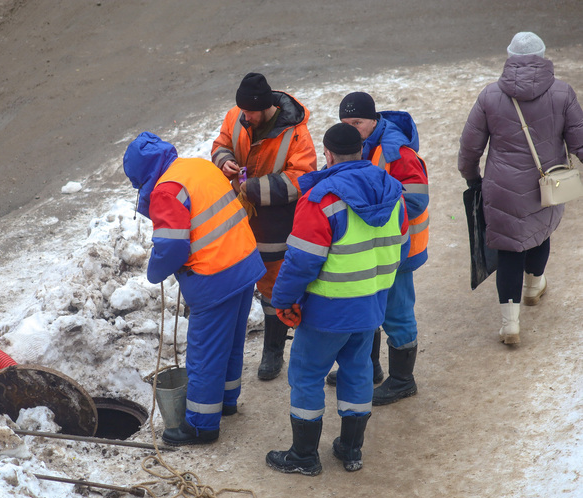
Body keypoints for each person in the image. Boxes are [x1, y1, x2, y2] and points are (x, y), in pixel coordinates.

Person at [266, 123, 409, 475]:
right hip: (370, 304)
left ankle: (304, 456)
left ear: (327, 155)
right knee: (358, 370)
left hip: (327, 309)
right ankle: (350, 448)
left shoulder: (322, 199)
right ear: (361, 150)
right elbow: (401, 246)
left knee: (307, 375)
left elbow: (301, 261)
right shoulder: (392, 191)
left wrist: (283, 299)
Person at [123, 132, 265, 446]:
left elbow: (172, 247)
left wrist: (155, 271)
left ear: (143, 175)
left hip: (215, 277)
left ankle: (202, 425)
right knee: (231, 342)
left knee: (205, 353)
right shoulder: (197, 167)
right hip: (244, 263)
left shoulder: (167, 189)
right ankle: (226, 402)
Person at [458, 32, 583, 344]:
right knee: (540, 232)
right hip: (546, 183)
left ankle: (510, 324)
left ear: (510, 57)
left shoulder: (490, 96)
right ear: (542, 55)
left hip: (502, 187)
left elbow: (470, 147)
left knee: (509, 249)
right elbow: (580, 141)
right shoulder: (563, 93)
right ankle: (534, 286)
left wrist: (472, 177)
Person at [211, 72, 317, 381]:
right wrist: (224, 160)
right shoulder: (236, 116)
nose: (245, 117)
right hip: (238, 218)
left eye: (250, 112)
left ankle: (273, 350)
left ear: (266, 107)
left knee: (273, 285)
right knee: (237, 278)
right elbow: (220, 144)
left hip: (275, 224)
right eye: (242, 111)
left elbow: (302, 177)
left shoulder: (296, 134)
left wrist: (254, 188)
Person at [326, 91, 429, 406]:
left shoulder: (396, 150)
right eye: (345, 123)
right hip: (375, 247)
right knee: (368, 304)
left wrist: (367, 205)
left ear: (374, 120)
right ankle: (369, 368)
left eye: (357, 122)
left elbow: (417, 198)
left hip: (399, 250)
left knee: (396, 312)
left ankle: (403, 380)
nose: (351, 129)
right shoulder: (357, 145)